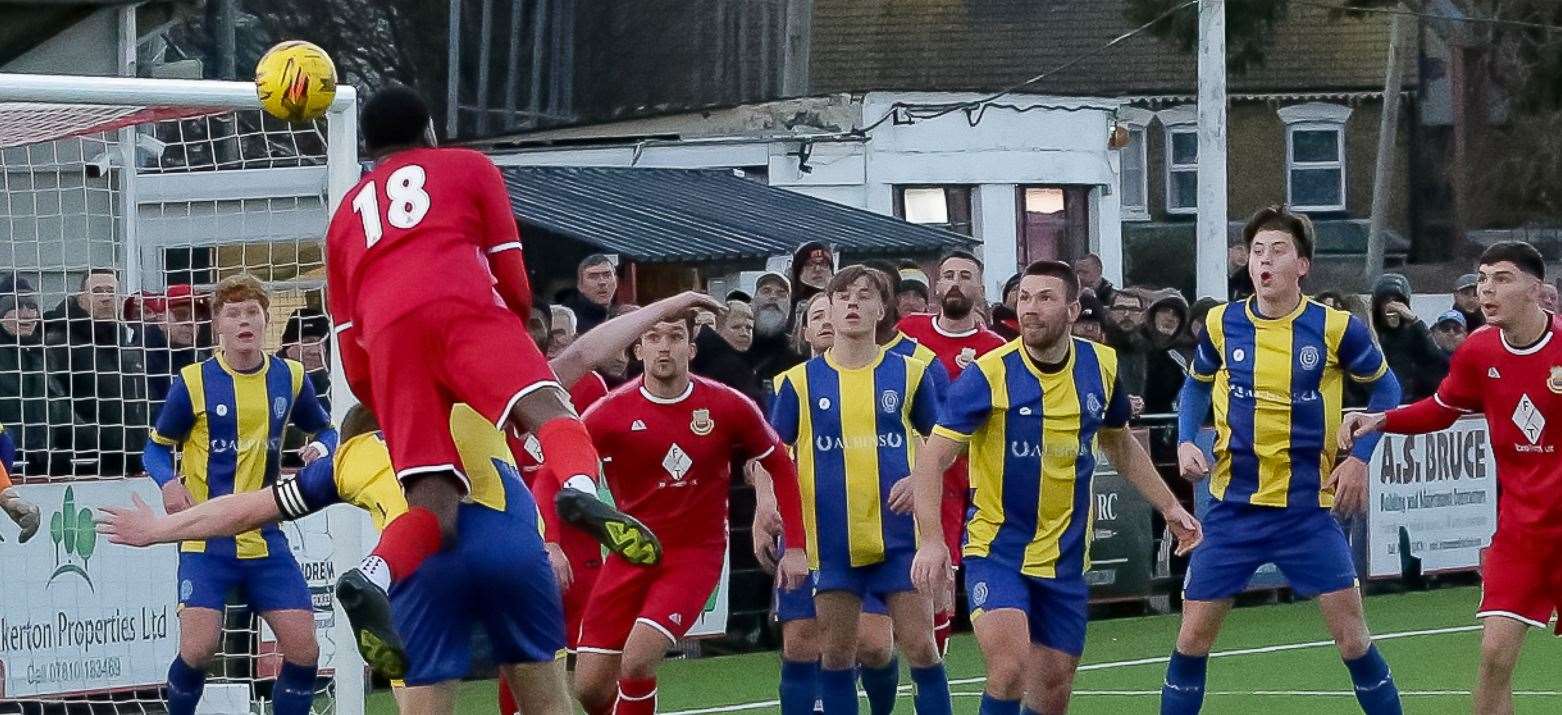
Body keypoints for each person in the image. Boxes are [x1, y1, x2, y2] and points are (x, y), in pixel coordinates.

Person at [322, 84, 656, 678]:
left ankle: (370, 573)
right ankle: (579, 487)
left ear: (369, 149)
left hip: (389, 344)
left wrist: (385, 399)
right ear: (429, 130)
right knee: (551, 411)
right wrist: (516, 333)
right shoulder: (468, 166)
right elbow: (509, 266)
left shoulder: (344, 215)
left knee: (433, 508)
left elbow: (348, 337)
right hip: (461, 307)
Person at [102, 404, 573, 715]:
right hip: (512, 552)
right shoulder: (472, 411)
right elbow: (572, 362)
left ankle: (373, 578)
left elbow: (248, 507)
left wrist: (160, 530)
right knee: (550, 705)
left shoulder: (351, 458)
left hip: (421, 567)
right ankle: (586, 486)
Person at [907, 260, 1202, 715]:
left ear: (1072, 309)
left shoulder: (1099, 364)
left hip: (1065, 559)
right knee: (1008, 670)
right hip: (997, 550)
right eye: (1025, 298)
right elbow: (933, 459)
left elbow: (1120, 445)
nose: (1030, 309)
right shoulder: (989, 374)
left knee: (1053, 692)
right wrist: (930, 541)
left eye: (1045, 298)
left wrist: (1169, 507)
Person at [1160, 206, 1404, 715]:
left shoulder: (1336, 329)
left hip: (1307, 513)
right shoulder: (1222, 323)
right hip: (1232, 510)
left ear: (1303, 265)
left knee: (1353, 641)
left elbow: (1388, 388)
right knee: (1190, 642)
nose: (1265, 260)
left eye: (1278, 250)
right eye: (1256, 251)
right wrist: (1185, 439)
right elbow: (1195, 387)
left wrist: (1360, 456)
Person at [1340, 241, 1562, 715]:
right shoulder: (1478, 350)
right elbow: (1442, 409)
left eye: (1501, 279)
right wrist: (1381, 419)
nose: (1487, 290)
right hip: (1521, 533)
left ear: (1536, 290)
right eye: (1483, 279)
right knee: (1493, 656)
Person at [573, 313, 808, 715]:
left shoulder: (728, 404)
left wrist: (797, 547)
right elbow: (557, 465)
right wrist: (554, 537)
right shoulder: (609, 412)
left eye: (675, 337)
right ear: (638, 349)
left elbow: (780, 463)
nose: (665, 346)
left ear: (692, 349)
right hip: (630, 555)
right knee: (590, 688)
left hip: (694, 556)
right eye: (654, 337)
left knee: (637, 661)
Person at [142, 274, 337, 715]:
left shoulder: (290, 376)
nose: (244, 320)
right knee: (198, 650)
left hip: (265, 535)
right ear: (219, 326)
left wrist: (321, 448)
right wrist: (168, 483)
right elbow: (154, 447)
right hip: (206, 539)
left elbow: (327, 427)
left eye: (253, 312)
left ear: (266, 321)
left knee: (304, 651)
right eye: (234, 313)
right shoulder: (194, 381)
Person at [769, 265, 952, 715]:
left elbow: (945, 444)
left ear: (882, 310)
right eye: (843, 296)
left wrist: (920, 477)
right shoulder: (797, 383)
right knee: (835, 655)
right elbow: (771, 457)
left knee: (922, 650)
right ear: (827, 309)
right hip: (829, 541)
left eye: (865, 296)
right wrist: (773, 517)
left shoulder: (910, 374)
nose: (853, 303)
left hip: (899, 540)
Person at [752, 291, 900, 715]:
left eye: (831, 311)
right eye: (817, 315)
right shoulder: (788, 385)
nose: (827, 321)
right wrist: (765, 507)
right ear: (805, 331)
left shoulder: (888, 376)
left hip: (871, 526)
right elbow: (765, 456)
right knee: (800, 641)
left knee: (872, 645)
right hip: (808, 528)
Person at [895, 250, 1007, 654]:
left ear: (979, 289)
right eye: (948, 275)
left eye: (966, 275)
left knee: (939, 577)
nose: (956, 282)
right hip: (896, 476)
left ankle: (932, 669)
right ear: (937, 286)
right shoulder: (908, 333)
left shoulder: (995, 350)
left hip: (960, 482)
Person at [43, 268, 149, 475]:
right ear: (81, 298)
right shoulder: (60, 343)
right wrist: (96, 437)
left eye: (111, 291)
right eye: (98, 291)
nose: (106, 298)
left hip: (132, 463)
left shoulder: (125, 346)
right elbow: (53, 401)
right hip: (85, 465)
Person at [0, 275, 78, 477]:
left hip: (41, 468)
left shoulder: (43, 355)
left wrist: (104, 444)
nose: (26, 314)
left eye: (32, 307)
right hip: (7, 470)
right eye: (16, 306)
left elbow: (60, 408)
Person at [1370, 273, 1448, 403]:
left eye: (1397, 301)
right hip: (1379, 403)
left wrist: (1416, 321)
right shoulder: (1371, 334)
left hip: (1412, 402)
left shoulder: (1414, 334)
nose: (1392, 306)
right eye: (1387, 301)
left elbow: (1440, 362)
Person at [692, 300, 764, 404]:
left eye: (749, 328)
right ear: (718, 329)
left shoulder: (754, 361)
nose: (744, 333)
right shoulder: (727, 366)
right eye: (736, 327)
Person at [748, 271, 806, 382]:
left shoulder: (798, 352)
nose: (773, 297)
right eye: (766, 291)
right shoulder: (737, 344)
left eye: (781, 293)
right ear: (753, 301)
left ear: (789, 307)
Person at [1143, 290, 1194, 415]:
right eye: (1165, 310)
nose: (1170, 318)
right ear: (1153, 314)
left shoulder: (1185, 356)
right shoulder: (1134, 349)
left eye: (1176, 314)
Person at [560, 254, 617, 335]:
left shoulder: (621, 313)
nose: (602, 282)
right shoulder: (569, 320)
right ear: (580, 285)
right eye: (593, 277)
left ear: (616, 281)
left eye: (607, 275)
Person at [0, 426, 40, 542]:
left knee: (6, 498)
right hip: (4, 441)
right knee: (6, 497)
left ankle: (22, 508)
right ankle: (25, 510)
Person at [790, 241, 835, 314]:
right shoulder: (786, 305)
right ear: (799, 271)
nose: (817, 269)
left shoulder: (842, 302)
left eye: (824, 264)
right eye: (810, 264)